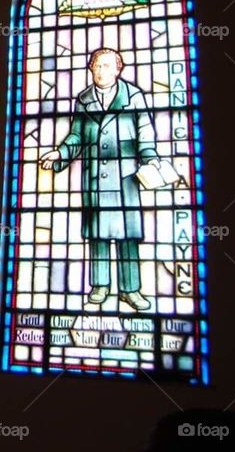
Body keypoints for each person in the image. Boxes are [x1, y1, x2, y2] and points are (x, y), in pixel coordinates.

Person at [40, 48, 159, 310]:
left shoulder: (133, 96)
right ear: (91, 69)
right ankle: (100, 285)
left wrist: (150, 158)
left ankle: (131, 289)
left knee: (128, 236)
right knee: (98, 234)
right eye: (96, 65)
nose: (100, 71)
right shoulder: (84, 100)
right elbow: (76, 135)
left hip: (125, 176)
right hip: (95, 175)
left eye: (106, 65)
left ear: (118, 69)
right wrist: (60, 153)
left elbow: (145, 131)